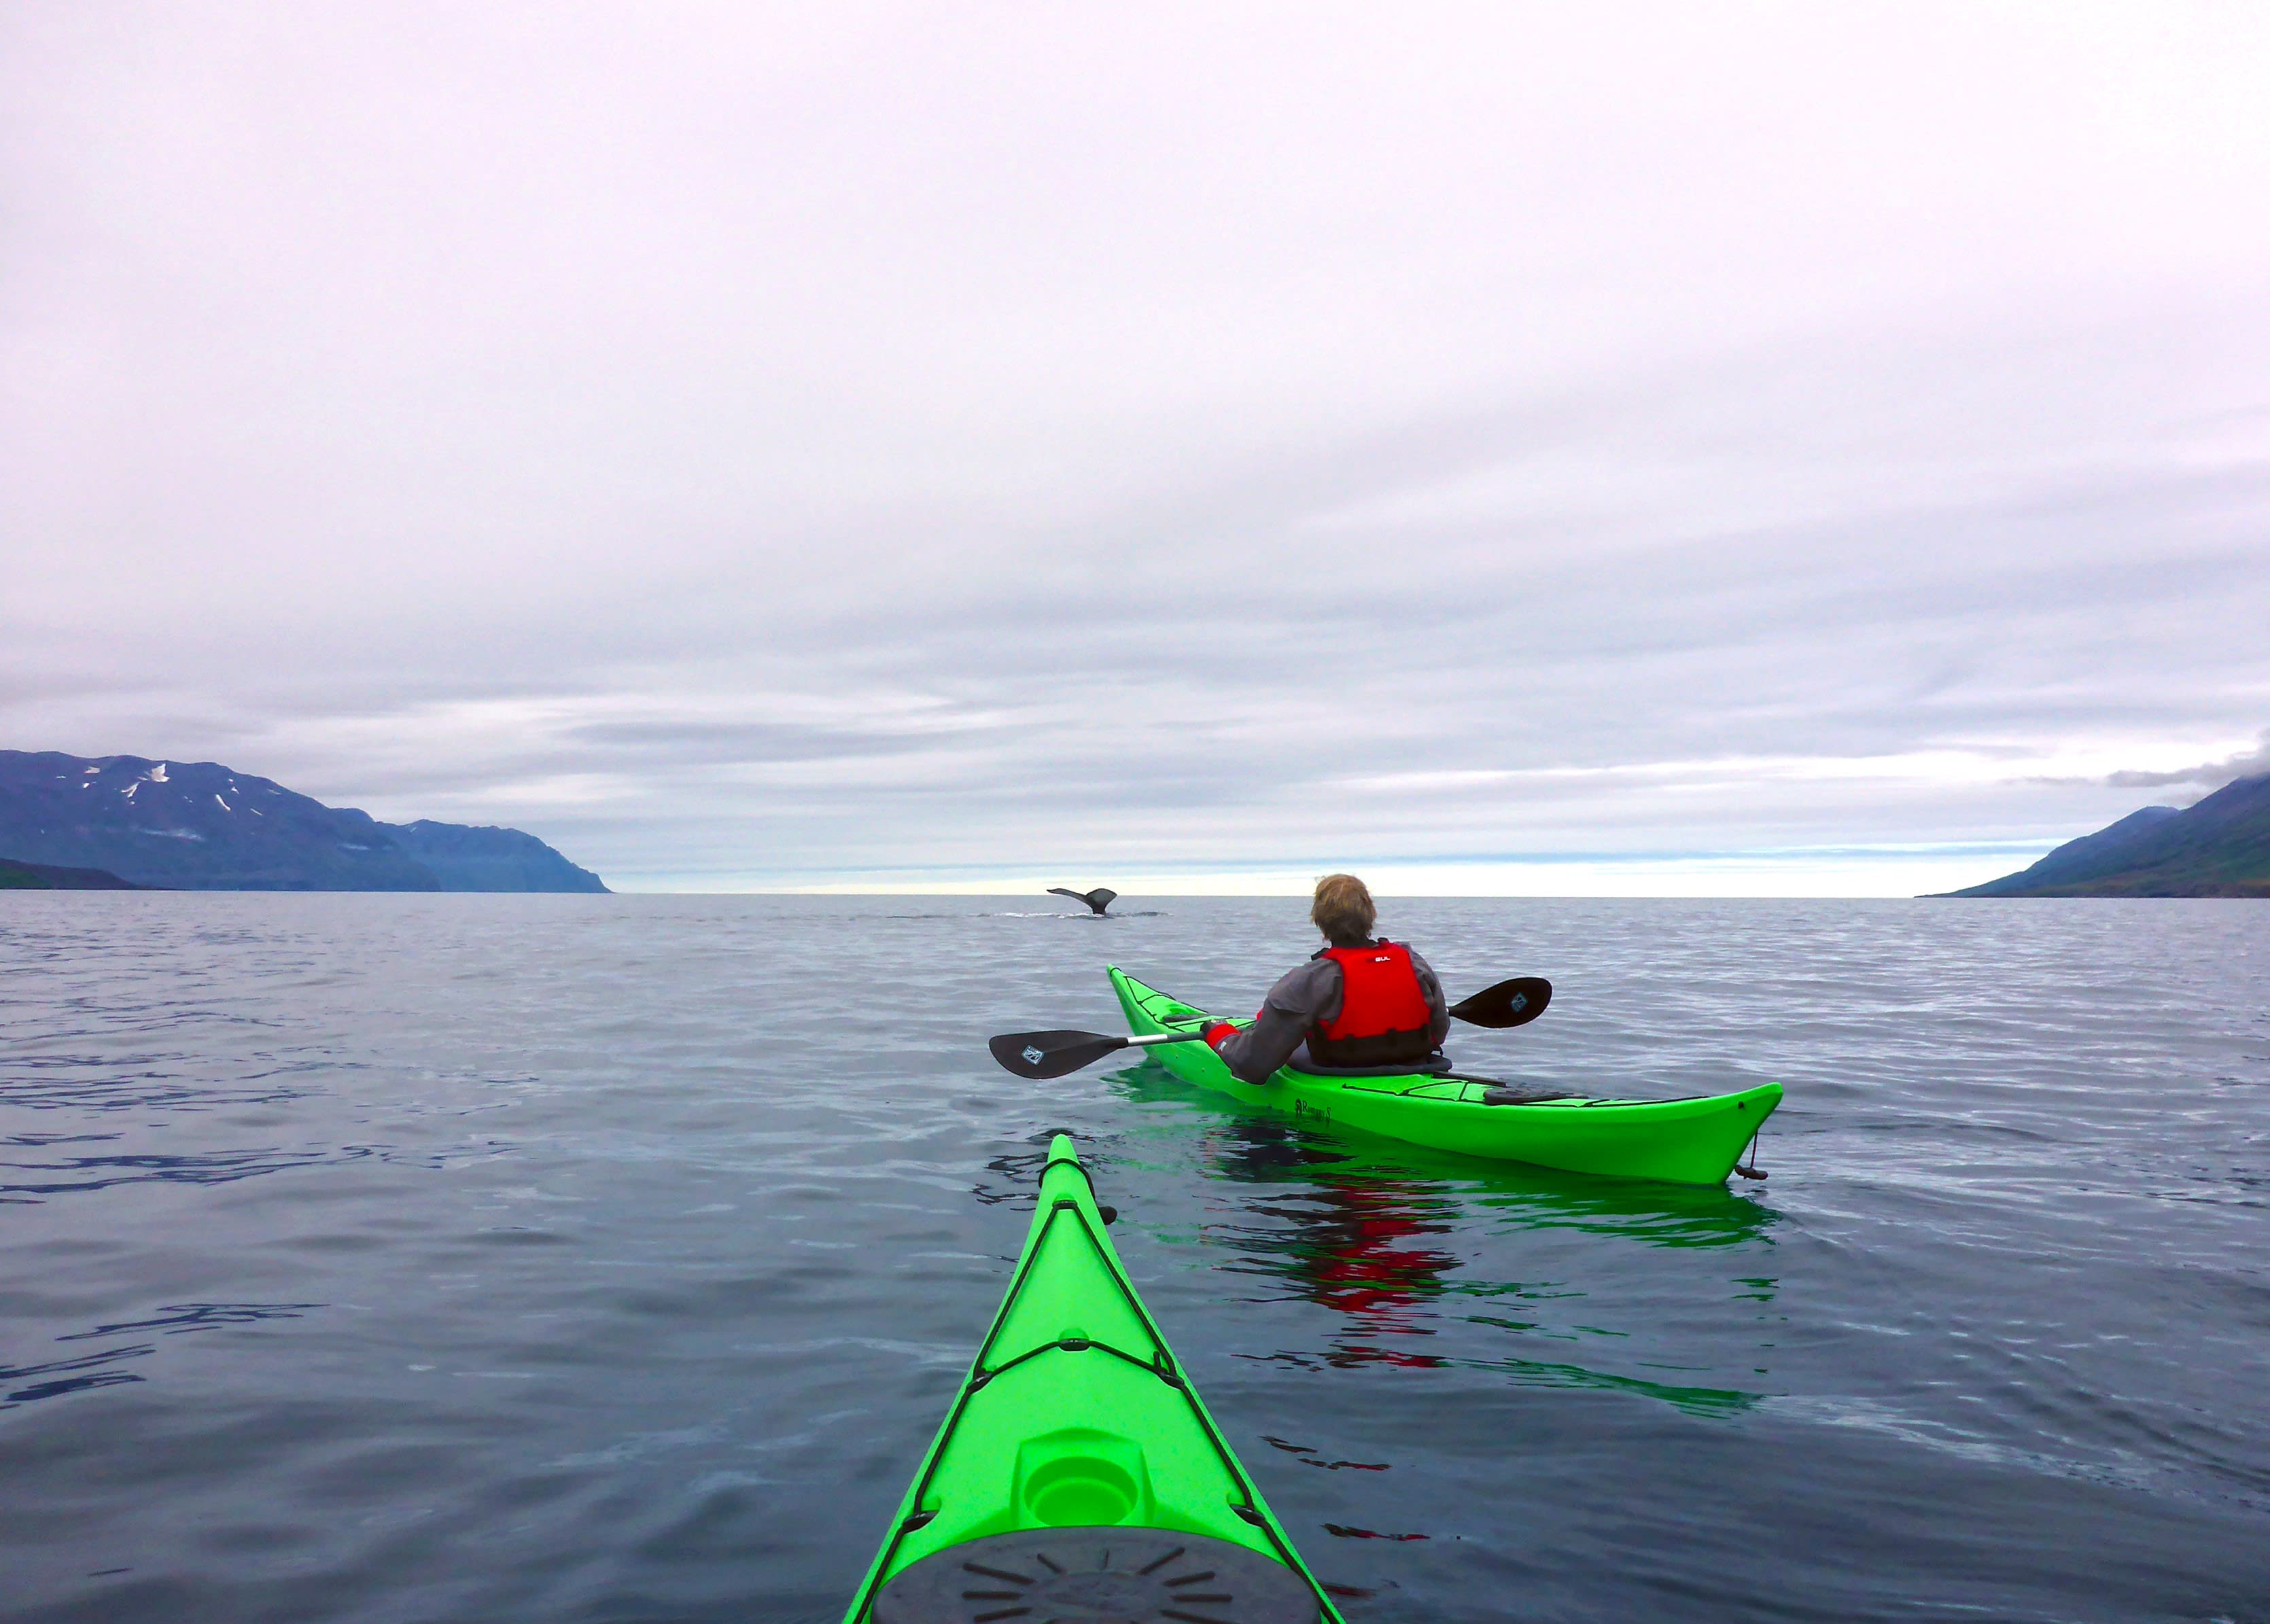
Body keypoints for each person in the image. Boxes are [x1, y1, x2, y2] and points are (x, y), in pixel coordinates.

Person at [1201, 874, 1450, 1083]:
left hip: (1340, 1070)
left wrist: (1219, 1035)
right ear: (1370, 915)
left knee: (1288, 1046)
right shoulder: (1413, 963)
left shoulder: (1308, 981)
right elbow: (1439, 1030)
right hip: (1415, 1067)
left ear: (1320, 921)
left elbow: (1252, 1066)